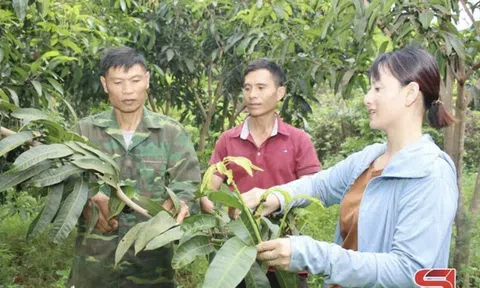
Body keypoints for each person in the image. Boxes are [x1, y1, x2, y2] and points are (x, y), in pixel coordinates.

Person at [241, 47, 459, 287]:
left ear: (410, 93)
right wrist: (273, 197)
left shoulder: (431, 173)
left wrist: (311, 254)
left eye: (377, 88)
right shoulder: (370, 158)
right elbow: (319, 185)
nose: (367, 98)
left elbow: (409, 271)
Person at [68, 47, 201, 288]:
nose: (127, 90)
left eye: (135, 80)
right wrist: (87, 202)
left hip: (152, 267)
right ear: (105, 84)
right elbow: (64, 183)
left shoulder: (171, 133)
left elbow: (188, 184)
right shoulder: (84, 132)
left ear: (147, 80)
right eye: (118, 82)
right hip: (94, 266)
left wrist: (178, 204)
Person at [200, 58, 321, 287]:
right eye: (247, 88)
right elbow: (209, 188)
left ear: (280, 92)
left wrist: (274, 199)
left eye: (261, 87)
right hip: (240, 255)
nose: (252, 95)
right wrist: (211, 207)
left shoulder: (298, 140)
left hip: (285, 252)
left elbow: (311, 189)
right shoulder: (228, 140)